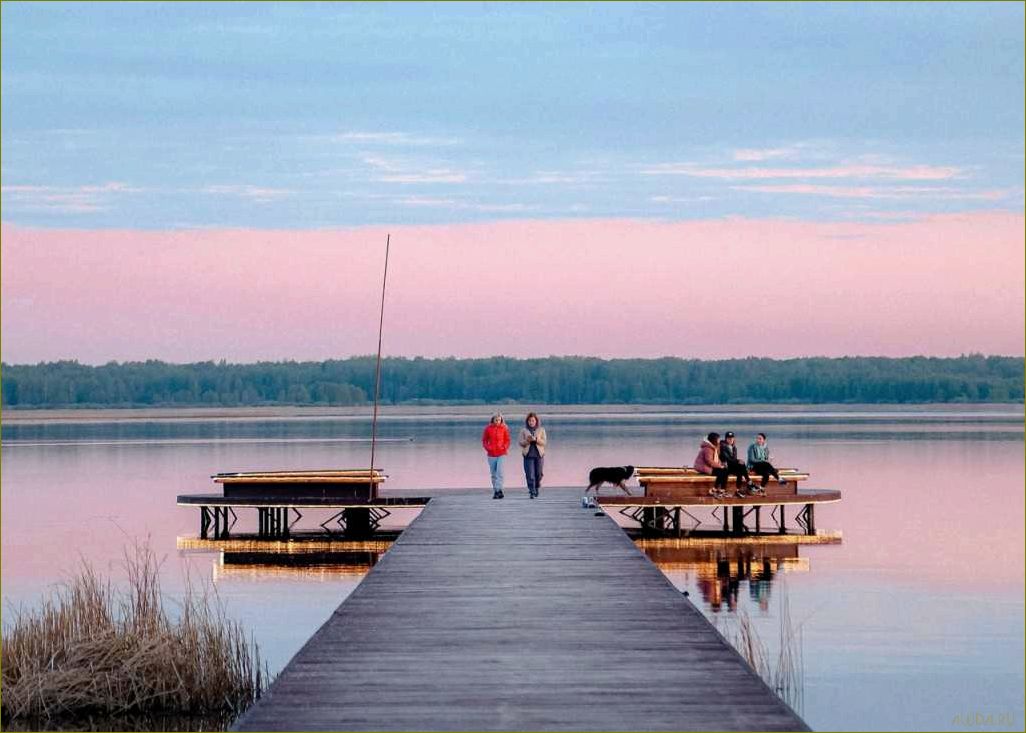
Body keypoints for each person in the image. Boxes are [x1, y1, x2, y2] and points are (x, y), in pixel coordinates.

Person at [518, 412, 547, 499]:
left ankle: (537, 487)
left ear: (536, 421)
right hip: (528, 455)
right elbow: (520, 443)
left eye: (533, 420)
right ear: (527, 421)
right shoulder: (523, 430)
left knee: (539, 474)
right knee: (530, 474)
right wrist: (528, 441)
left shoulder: (541, 430)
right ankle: (532, 491)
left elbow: (544, 442)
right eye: (530, 421)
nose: (531, 422)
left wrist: (537, 439)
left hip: (539, 455)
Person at [481, 413, 510, 499]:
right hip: (491, 454)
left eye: (499, 420)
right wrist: (488, 448)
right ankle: (497, 491)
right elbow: (484, 440)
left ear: (501, 420)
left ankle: (498, 490)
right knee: (493, 473)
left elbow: (507, 440)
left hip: (502, 453)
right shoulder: (488, 429)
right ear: (493, 420)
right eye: (496, 420)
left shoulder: (504, 428)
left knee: (500, 472)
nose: (497, 421)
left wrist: (504, 447)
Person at [694, 432, 730, 499]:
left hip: (709, 466)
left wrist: (721, 464)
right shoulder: (707, 449)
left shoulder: (714, 447)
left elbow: (716, 458)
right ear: (714, 440)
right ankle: (714, 489)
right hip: (703, 467)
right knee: (721, 472)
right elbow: (709, 461)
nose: (719, 441)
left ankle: (722, 490)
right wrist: (720, 466)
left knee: (725, 470)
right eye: (718, 439)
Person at [719, 431, 755, 496]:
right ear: (726, 439)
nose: (730, 440)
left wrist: (738, 461)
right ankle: (749, 481)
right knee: (741, 464)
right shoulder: (723, 447)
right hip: (726, 467)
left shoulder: (734, 448)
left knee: (740, 469)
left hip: (732, 466)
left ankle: (738, 489)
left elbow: (734, 459)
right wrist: (738, 461)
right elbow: (727, 459)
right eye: (729, 438)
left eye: (732, 438)